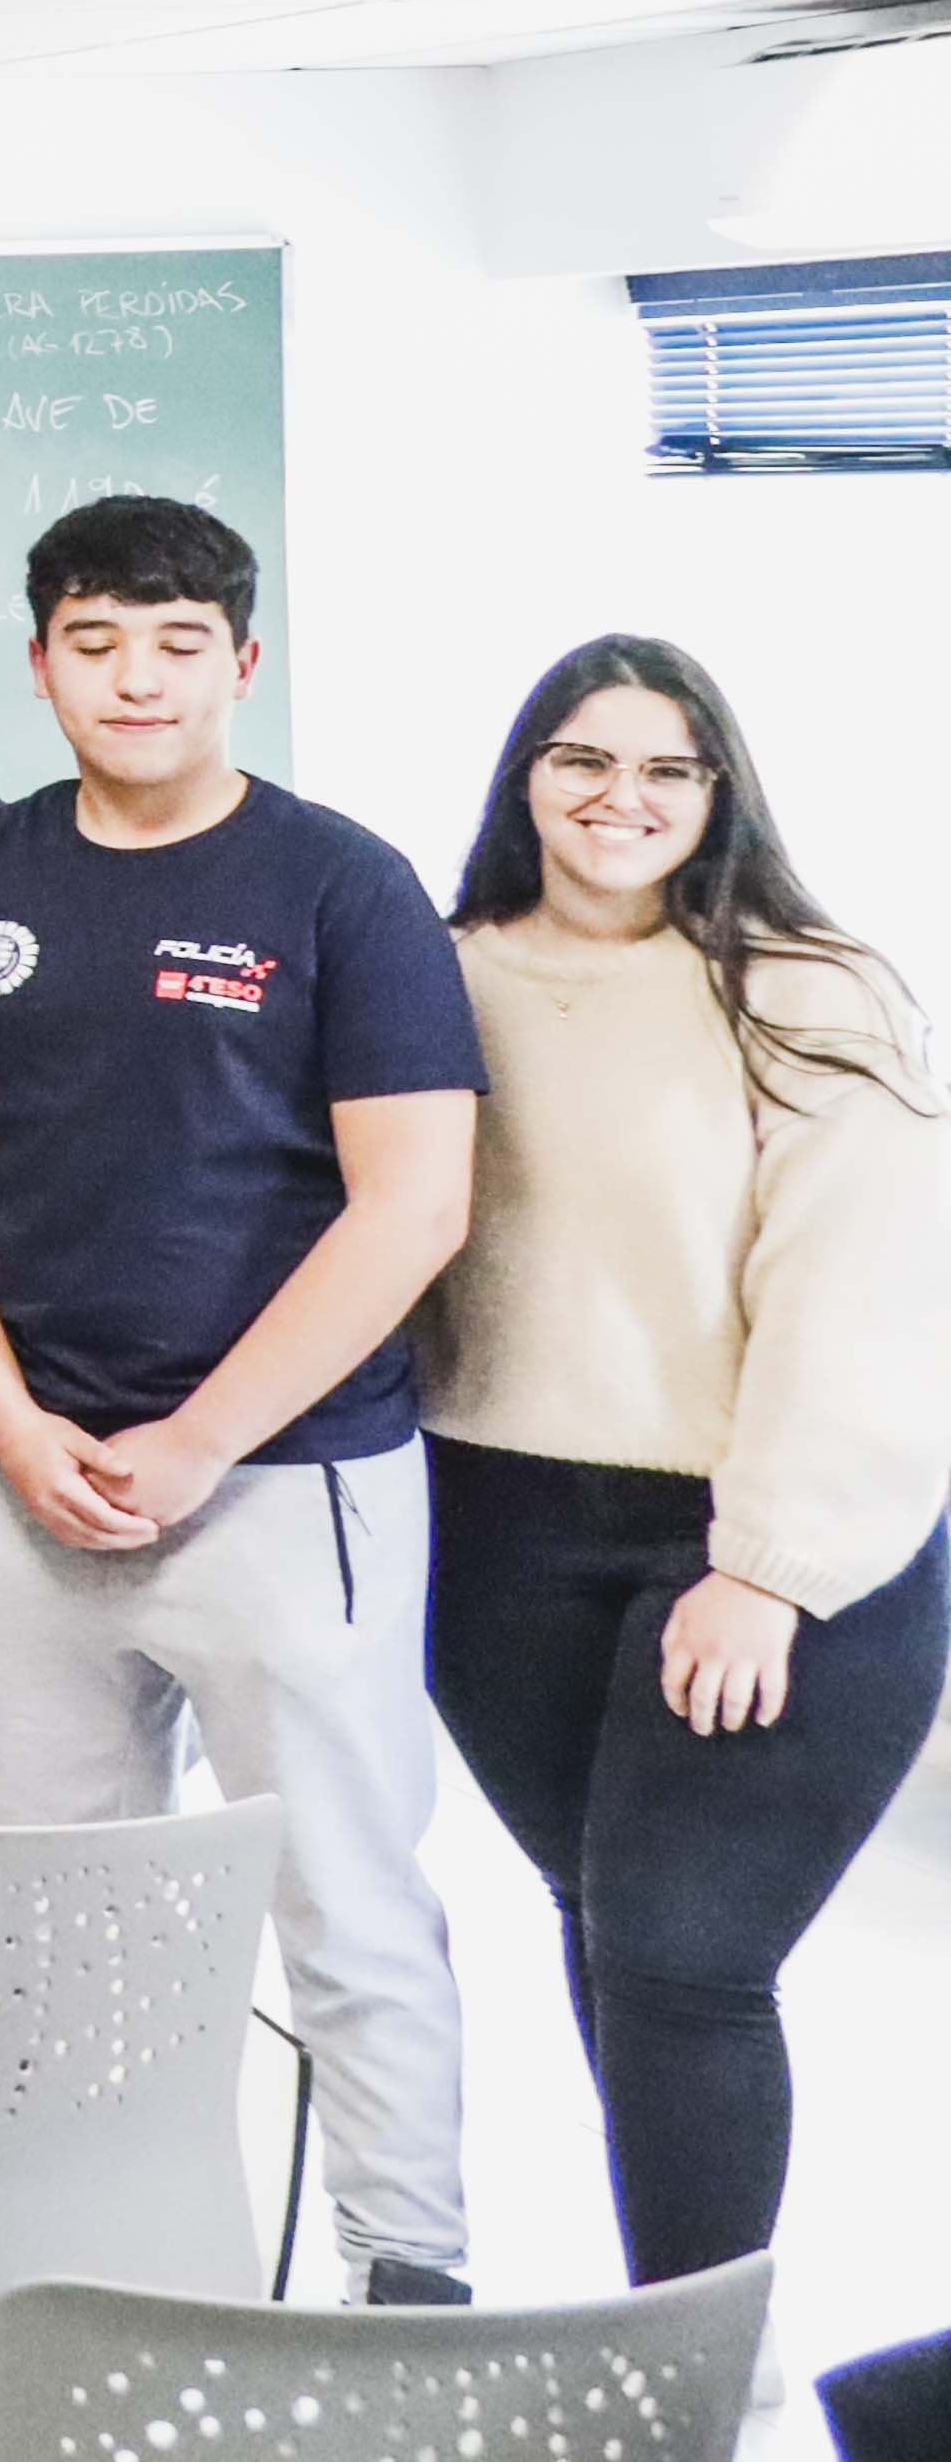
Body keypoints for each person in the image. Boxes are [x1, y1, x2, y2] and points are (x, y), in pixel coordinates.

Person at [0, 495, 486, 2308]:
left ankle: (407, 2274)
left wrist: (202, 1437)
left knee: (344, 1899)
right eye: (96, 643)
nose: (135, 679)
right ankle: (121, 2270)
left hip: (286, 1487)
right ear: (37, 664)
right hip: (20, 1481)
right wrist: (8, 1425)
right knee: (73, 1906)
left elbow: (415, 1204)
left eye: (176, 643)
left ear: (242, 662)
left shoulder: (341, 885)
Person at [428, 637, 946, 2287]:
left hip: (764, 1536)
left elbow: (860, 1296)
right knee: (606, 1924)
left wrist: (765, 1566)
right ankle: (676, 2320)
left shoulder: (812, 990)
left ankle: (696, 2359)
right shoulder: (440, 973)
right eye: (583, 759)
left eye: (667, 768)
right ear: (527, 778)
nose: (621, 798)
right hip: (497, 1525)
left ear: (720, 792)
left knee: (681, 1955)